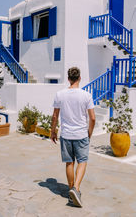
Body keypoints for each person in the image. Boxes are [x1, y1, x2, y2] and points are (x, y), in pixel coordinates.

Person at [51, 67, 95, 207]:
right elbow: (92, 118)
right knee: (82, 161)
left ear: (68, 78)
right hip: (81, 134)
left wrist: (52, 131)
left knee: (69, 162)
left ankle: (72, 191)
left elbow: (55, 116)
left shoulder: (60, 94)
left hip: (66, 134)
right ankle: (76, 188)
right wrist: (89, 133)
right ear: (79, 78)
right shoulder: (86, 95)